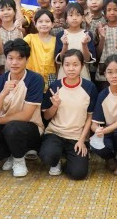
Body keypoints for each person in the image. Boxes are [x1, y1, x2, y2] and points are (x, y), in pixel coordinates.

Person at [0, 39, 44, 178]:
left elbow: (26, 116)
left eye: (19, 58)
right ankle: (13, 152)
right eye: (10, 58)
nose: (14, 63)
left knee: (13, 128)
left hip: (29, 128)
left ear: (27, 59)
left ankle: (19, 159)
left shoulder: (35, 79)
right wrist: (4, 92)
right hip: (5, 127)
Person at [40, 49, 98, 179]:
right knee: (48, 156)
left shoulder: (89, 87)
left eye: (75, 64)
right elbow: (46, 116)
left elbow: (90, 116)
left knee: (78, 174)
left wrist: (83, 140)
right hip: (55, 133)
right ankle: (56, 160)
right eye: (67, 65)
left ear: (82, 66)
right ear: (62, 66)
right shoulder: (55, 86)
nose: (71, 68)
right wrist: (55, 105)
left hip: (76, 136)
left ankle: (69, 158)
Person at [54, 3, 96, 80]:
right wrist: (65, 45)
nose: (74, 18)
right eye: (71, 15)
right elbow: (60, 59)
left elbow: (87, 59)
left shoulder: (87, 34)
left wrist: (84, 45)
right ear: (66, 19)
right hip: (64, 74)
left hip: (83, 74)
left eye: (78, 15)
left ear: (83, 18)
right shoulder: (61, 35)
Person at [95, 0, 117, 91]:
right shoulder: (101, 29)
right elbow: (98, 53)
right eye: (109, 10)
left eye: (115, 10)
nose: (112, 12)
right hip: (104, 69)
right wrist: (102, 38)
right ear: (104, 12)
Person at [0, 0, 24, 79]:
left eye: (9, 9)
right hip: (0, 71)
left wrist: (19, 30)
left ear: (14, 12)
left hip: (17, 70)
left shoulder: (19, 30)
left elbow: (21, 51)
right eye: (2, 10)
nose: (5, 12)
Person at [24, 9, 57, 89]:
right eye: (40, 21)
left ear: (52, 24)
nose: (44, 24)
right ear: (35, 24)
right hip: (31, 76)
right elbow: (19, 46)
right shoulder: (30, 38)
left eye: (47, 21)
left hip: (50, 78)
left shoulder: (56, 40)